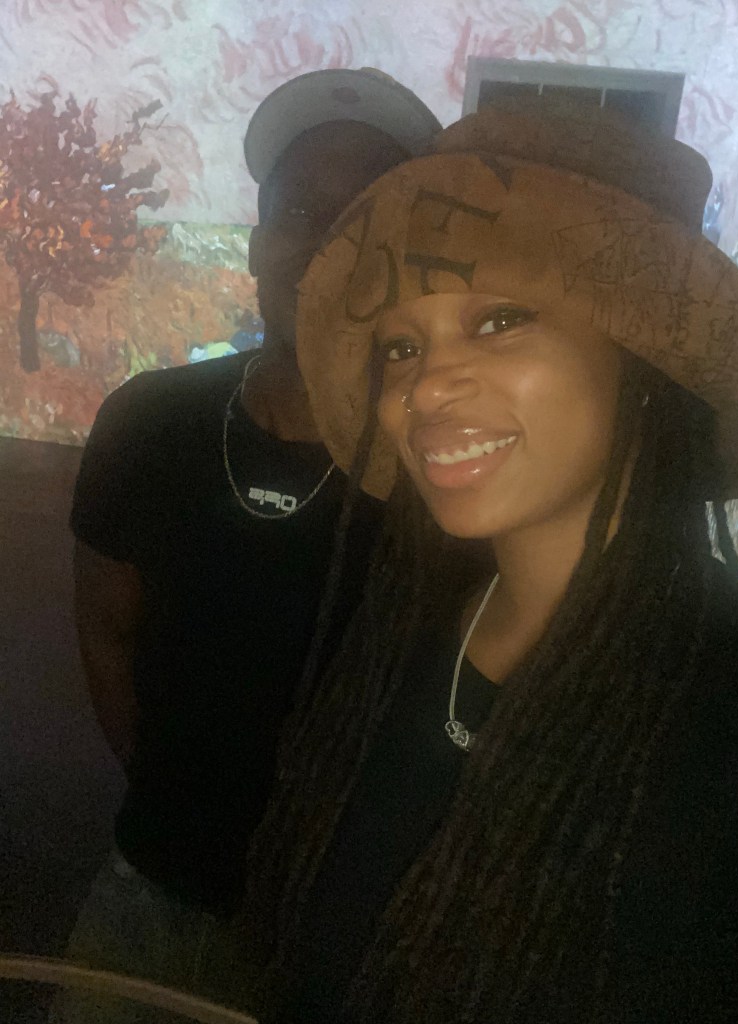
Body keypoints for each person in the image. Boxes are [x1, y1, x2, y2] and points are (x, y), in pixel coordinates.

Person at [238, 104, 738, 1023]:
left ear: (644, 362)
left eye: (500, 320)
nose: (425, 386)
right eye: (402, 346)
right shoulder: (406, 628)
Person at [53, 69, 440, 1020]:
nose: (327, 242)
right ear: (261, 244)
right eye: (300, 210)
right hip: (154, 890)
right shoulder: (148, 424)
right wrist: (181, 810)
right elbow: (107, 637)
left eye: (364, 218)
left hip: (350, 931)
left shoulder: (446, 466)